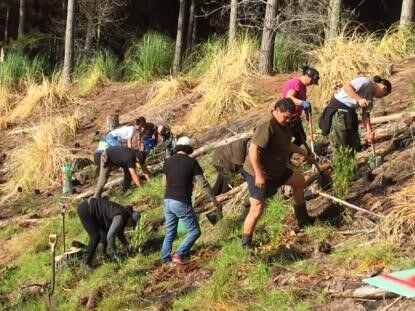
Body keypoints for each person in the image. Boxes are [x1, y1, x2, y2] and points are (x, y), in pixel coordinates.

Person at [241, 98, 315, 250]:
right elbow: (253, 150)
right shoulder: (267, 125)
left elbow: (286, 144)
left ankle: (303, 220)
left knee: (299, 182)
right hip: (259, 171)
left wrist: (304, 153)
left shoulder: (284, 124)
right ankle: (246, 244)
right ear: (276, 111)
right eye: (285, 116)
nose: (287, 120)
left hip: (277, 169)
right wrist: (259, 174)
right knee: (257, 208)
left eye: (290, 117)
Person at [161, 136, 222, 264]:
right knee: (194, 231)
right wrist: (214, 200)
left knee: (170, 232)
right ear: (188, 148)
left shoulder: (168, 161)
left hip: (167, 201)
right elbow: (203, 183)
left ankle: (164, 258)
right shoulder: (191, 162)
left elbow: (164, 183)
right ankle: (179, 254)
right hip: (181, 201)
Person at [319, 76, 392, 151]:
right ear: (383, 87)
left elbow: (365, 115)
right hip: (339, 110)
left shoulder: (370, 97)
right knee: (341, 144)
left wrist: (369, 132)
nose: (381, 97)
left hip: (350, 113)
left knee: (353, 144)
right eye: (384, 94)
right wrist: (359, 99)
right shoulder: (365, 82)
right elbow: (346, 87)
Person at [77, 198, 140, 271]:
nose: (130, 226)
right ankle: (86, 262)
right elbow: (110, 236)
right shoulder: (120, 217)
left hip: (94, 213)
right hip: (86, 209)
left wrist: (127, 246)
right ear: (130, 218)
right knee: (95, 236)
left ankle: (103, 256)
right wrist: (115, 253)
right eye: (132, 224)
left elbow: (119, 233)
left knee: (104, 234)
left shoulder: (124, 216)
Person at [281, 66, 319, 148]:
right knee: (285, 140)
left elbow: (301, 101)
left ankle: (288, 156)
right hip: (288, 118)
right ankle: (285, 158)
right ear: (306, 76)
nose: (312, 83)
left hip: (295, 118)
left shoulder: (303, 86)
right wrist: (302, 103)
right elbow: (288, 98)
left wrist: (306, 110)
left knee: (301, 138)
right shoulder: (296, 83)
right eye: (311, 81)